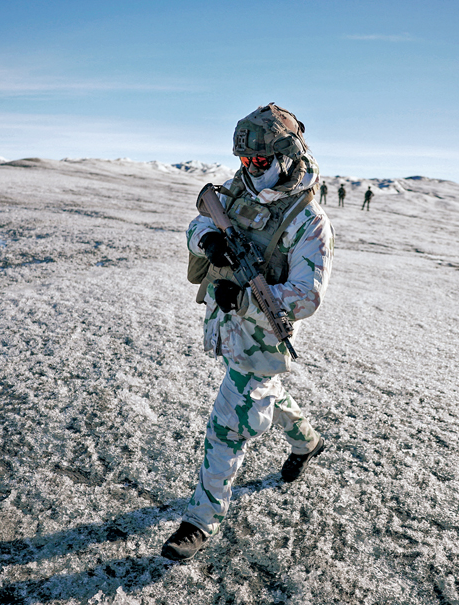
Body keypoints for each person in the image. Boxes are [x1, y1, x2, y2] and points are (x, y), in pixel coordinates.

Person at [162, 103, 334, 562]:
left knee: (227, 425)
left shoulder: (308, 221)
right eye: (244, 161)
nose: (250, 169)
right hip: (228, 327)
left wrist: (242, 298)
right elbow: (198, 222)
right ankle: (308, 442)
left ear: (286, 155)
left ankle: (201, 518)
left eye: (259, 161)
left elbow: (307, 295)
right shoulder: (236, 192)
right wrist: (208, 239)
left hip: (261, 335)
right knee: (267, 394)